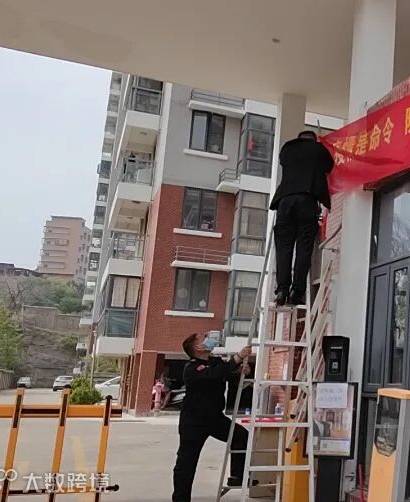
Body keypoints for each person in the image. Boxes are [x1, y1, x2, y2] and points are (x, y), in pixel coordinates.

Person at [171, 333, 252, 502]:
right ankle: (180, 498)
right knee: (187, 462)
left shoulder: (215, 361)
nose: (209, 339)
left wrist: (239, 371)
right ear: (197, 348)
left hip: (215, 418)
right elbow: (214, 375)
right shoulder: (192, 368)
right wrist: (237, 357)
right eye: (204, 338)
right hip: (194, 421)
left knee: (240, 435)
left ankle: (237, 476)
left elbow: (226, 373)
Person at [269, 130, 333, 306]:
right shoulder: (318, 149)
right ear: (314, 139)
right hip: (307, 200)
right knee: (304, 247)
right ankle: (297, 292)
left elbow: (284, 163)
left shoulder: (287, 149)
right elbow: (329, 167)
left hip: (285, 202)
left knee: (284, 247)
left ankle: (282, 289)